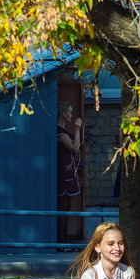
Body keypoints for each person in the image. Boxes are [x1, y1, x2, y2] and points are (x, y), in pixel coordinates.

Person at [57, 102, 82, 245]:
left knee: (67, 207)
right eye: (70, 113)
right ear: (63, 114)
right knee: (62, 206)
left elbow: (77, 147)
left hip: (70, 173)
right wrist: (77, 130)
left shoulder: (65, 131)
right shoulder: (60, 132)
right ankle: (61, 240)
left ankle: (65, 239)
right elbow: (74, 148)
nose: (72, 115)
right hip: (63, 175)